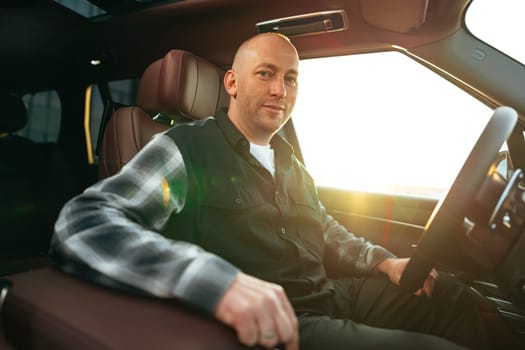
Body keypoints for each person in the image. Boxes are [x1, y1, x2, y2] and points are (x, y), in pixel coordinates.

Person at [51, 33, 506, 350]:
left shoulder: (288, 157)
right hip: (282, 320)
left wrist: (383, 261)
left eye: (290, 79)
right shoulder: (183, 150)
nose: (280, 90)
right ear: (231, 82)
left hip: (330, 294)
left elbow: (323, 228)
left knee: (453, 298)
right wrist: (218, 283)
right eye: (265, 74)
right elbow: (84, 223)